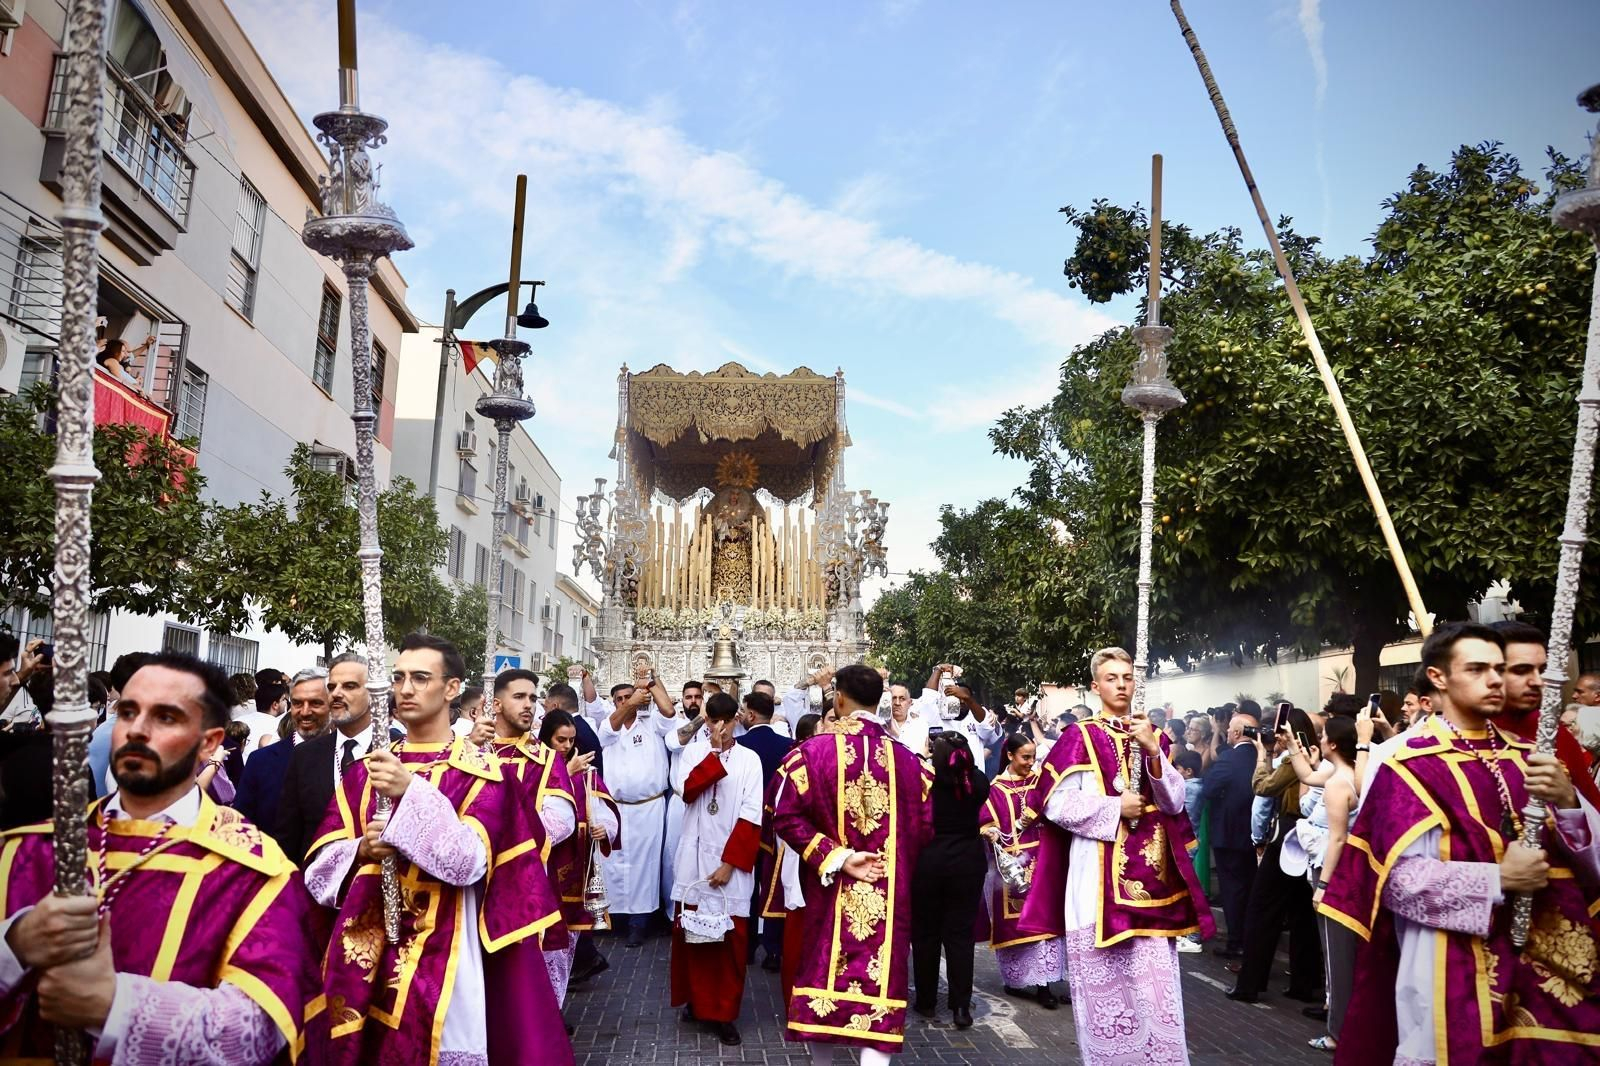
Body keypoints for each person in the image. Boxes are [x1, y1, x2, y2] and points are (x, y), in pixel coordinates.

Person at [0, 653, 317, 1061]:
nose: (137, 730)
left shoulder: (252, 871)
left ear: (209, 742)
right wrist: (15, 945)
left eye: (166, 717)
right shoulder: (28, 850)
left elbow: (260, 1027)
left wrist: (115, 1007)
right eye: (128, 712)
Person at [1321, 621, 1600, 1063]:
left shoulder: (1531, 757)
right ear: (1438, 677)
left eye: (1497, 668)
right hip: (1448, 969)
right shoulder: (1408, 767)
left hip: (1544, 974)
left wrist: (1568, 806)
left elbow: (1592, 869)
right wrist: (1498, 878)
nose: (1494, 679)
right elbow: (1394, 884)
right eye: (1477, 669)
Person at [305, 633, 573, 1066]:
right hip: (364, 953)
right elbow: (317, 872)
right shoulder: (364, 772)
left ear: (452, 689)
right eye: (399, 678)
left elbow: (466, 862)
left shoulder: (485, 774)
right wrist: (361, 851)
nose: (406, 688)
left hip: (451, 951)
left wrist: (411, 792)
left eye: (420, 678)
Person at [1017, 647, 1212, 1065]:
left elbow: (1175, 802)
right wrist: (1112, 808)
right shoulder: (1078, 738)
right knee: (1105, 998)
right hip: (1095, 881)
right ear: (1096, 685)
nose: (1121, 684)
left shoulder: (1154, 735)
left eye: (1127, 677)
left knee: (1156, 993)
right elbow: (1055, 805)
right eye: (1111, 677)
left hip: (1154, 886)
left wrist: (1154, 753)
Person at [772, 664, 933, 1065]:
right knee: (879, 995)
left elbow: (785, 816)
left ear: (838, 698)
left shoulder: (809, 755)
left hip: (832, 891)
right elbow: (925, 828)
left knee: (824, 986)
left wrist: (837, 856)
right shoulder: (912, 764)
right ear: (880, 700)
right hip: (887, 892)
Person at [669, 693, 764, 1046]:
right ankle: (697, 1003)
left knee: (729, 942)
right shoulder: (693, 753)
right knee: (694, 938)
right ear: (706, 720)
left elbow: (752, 813)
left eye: (725, 720)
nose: (718, 727)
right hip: (694, 859)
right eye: (712, 719)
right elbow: (688, 791)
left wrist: (729, 863)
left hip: (731, 863)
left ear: (736, 720)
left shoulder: (750, 760)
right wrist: (712, 752)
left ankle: (724, 1013)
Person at [489, 668, 580, 1005]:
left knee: (528, 988)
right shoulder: (471, 753)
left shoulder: (545, 759)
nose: (529, 705)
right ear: (496, 704)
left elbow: (561, 822)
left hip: (527, 881)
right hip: (474, 886)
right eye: (519, 697)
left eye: (533, 698)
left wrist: (499, 835)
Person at [1227, 705, 1323, 1004]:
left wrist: (1262, 753)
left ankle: (1250, 984)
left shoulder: (1295, 758)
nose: (1276, 739)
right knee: (1302, 915)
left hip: (1288, 836)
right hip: (1308, 838)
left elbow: (1262, 787)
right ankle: (1304, 984)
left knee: (1261, 911)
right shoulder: (1313, 753)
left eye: (1280, 734)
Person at [1285, 713, 1364, 1051]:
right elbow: (1305, 773)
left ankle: (1337, 1033)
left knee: (1336, 955)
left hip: (1333, 872)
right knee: (1341, 954)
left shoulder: (1336, 783)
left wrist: (1323, 886)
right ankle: (1342, 1020)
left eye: (1322, 735)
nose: (1318, 740)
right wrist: (1291, 743)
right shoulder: (1349, 773)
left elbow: (1337, 839)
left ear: (1332, 743)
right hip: (1348, 872)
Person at [276, 653, 393, 864]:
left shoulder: (397, 750)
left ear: (374, 693)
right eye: (332, 687)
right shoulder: (306, 756)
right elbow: (288, 839)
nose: (336, 694)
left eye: (349, 686)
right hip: (315, 890)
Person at [538, 709, 619, 994]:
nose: (567, 747)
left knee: (567, 941)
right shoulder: (534, 769)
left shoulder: (585, 773)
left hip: (575, 865)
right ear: (546, 739)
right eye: (560, 740)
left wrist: (604, 828)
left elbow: (602, 808)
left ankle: (557, 1001)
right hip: (542, 867)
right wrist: (563, 774)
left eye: (571, 740)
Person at [980, 734, 1065, 1007]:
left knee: (1048, 924)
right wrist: (990, 831)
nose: (1031, 762)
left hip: (1045, 860)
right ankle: (1024, 983)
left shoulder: (1042, 782)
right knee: (1025, 927)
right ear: (1010, 756)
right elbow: (985, 820)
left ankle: (1046, 982)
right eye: (1025, 757)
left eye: (1033, 756)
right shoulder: (995, 788)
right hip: (1015, 864)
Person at [596, 671, 678, 947]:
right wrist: (632, 699)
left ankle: (639, 923)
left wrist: (651, 684)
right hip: (615, 808)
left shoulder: (652, 723)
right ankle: (613, 918)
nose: (623, 702)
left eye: (626, 697)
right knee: (613, 864)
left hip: (649, 808)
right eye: (618, 699)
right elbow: (610, 727)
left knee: (646, 865)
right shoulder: (608, 727)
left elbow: (668, 710)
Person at [912, 731, 988, 1028]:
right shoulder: (978, 781)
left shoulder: (926, 781)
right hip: (968, 863)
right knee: (960, 938)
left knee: (926, 936)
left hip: (929, 864)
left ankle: (927, 1001)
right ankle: (960, 1007)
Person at [1490, 620, 1600, 809]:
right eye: (1521, 670)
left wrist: (1569, 799)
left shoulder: (1553, 732)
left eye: (1542, 670)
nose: (1538, 682)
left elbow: (1593, 812)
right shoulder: (1454, 735)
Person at [736, 689, 792, 971]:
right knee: (774, 886)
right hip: (778, 827)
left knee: (746, 886)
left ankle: (745, 948)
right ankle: (774, 949)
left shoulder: (739, 745)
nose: (742, 716)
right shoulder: (789, 746)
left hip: (746, 825)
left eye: (744, 712)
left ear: (752, 714)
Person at [233, 667, 328, 833]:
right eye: (297, 703)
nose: (305, 712)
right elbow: (242, 828)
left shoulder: (349, 760)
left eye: (315, 703)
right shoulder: (260, 761)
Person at [1199, 713, 1258, 958]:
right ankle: (1251, 939)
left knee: (1233, 890)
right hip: (1257, 834)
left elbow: (1209, 788)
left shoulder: (1229, 758)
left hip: (1230, 834)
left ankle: (1236, 942)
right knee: (1251, 888)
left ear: (1234, 733)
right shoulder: (1265, 756)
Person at [662, 680, 707, 917]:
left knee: (704, 854)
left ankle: (701, 907)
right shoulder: (677, 725)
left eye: (697, 697)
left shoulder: (714, 725)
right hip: (680, 802)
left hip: (709, 803)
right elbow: (676, 742)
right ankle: (673, 912)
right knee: (674, 855)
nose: (693, 701)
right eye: (688, 697)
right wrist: (701, 717)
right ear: (682, 700)